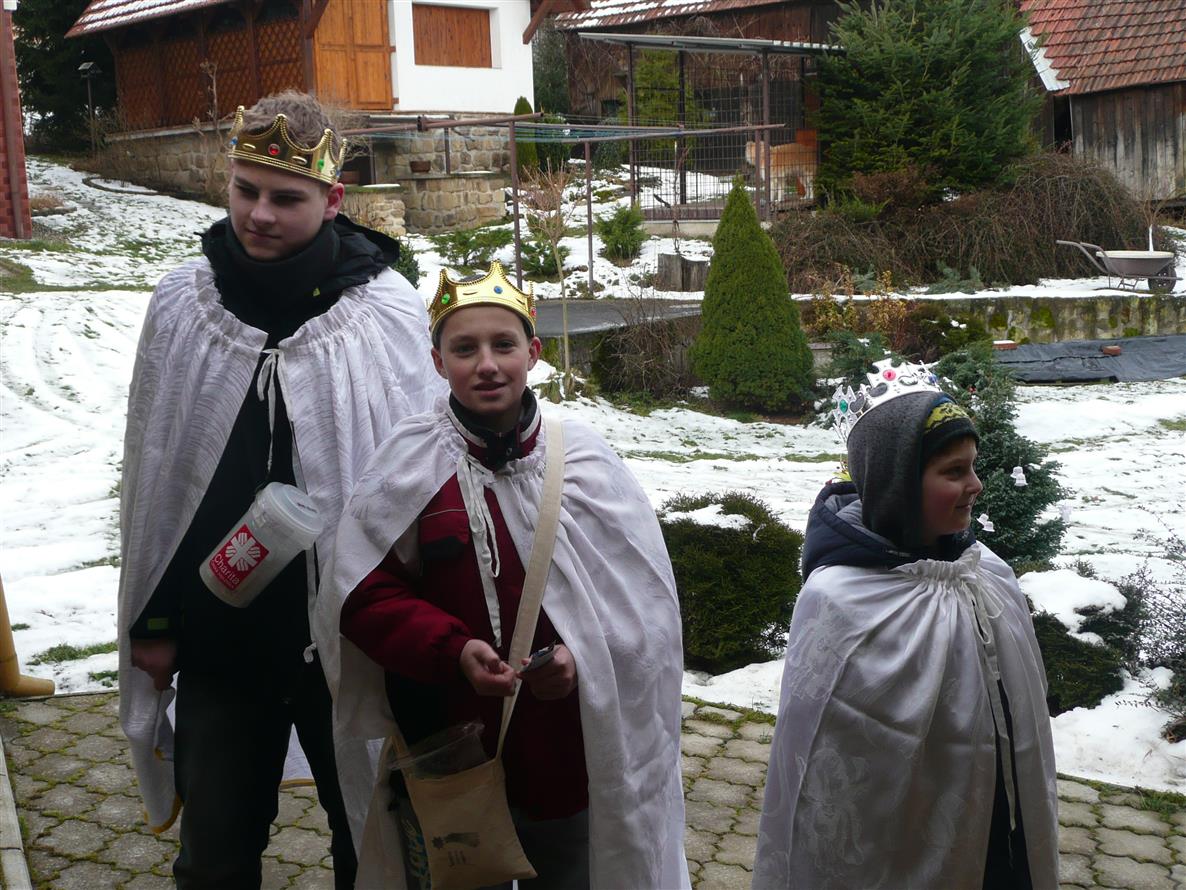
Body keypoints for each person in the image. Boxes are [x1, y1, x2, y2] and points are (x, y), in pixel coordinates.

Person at [117, 90, 444, 889]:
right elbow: (157, 479)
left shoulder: (385, 310)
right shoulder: (183, 305)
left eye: (286, 198)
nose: (259, 214)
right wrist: (154, 621)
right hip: (220, 639)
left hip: (355, 638)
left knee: (371, 843)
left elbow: (424, 480)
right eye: (245, 190)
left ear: (333, 199)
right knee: (215, 856)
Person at [313, 261, 690, 889]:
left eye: (503, 345)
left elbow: (643, 606)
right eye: (465, 349)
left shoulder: (585, 461)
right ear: (438, 363)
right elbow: (359, 596)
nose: (486, 364)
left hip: (563, 755)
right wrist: (452, 649)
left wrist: (579, 658)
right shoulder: (409, 461)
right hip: (454, 751)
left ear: (533, 354)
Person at [752, 360, 1059, 890]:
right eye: (954, 472)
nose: (976, 485)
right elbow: (824, 756)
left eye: (973, 467)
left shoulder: (987, 573)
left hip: (997, 821)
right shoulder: (838, 598)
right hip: (888, 841)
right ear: (897, 481)